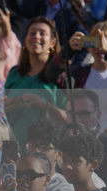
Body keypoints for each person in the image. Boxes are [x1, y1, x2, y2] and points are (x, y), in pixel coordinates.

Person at [5, 17, 64, 149]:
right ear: (25, 39)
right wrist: (5, 106)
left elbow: (70, 118)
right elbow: (1, 110)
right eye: (32, 33)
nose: (36, 37)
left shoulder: (61, 76)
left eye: (42, 33)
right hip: (14, 148)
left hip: (46, 149)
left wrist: (44, 105)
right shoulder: (14, 73)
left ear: (53, 43)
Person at [64, 90, 107, 187]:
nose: (76, 119)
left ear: (98, 115)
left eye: (84, 113)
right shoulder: (61, 145)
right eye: (71, 113)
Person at [26, 119, 75, 191]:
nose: (36, 152)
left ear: (59, 155)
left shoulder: (63, 189)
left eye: (44, 147)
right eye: (32, 146)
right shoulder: (18, 183)